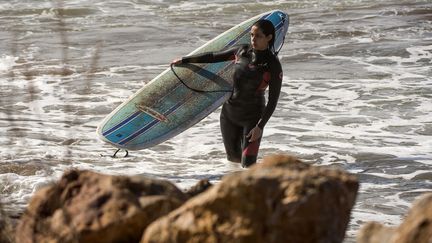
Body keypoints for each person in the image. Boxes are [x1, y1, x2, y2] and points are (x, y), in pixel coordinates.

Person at [172, 19, 283, 168]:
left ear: (269, 38)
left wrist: (260, 126)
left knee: (249, 165)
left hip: (252, 118)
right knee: (233, 161)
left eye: (258, 36)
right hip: (229, 115)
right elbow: (213, 56)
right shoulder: (242, 51)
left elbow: (273, 100)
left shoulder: (273, 65)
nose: (253, 39)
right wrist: (185, 59)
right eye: (251, 35)